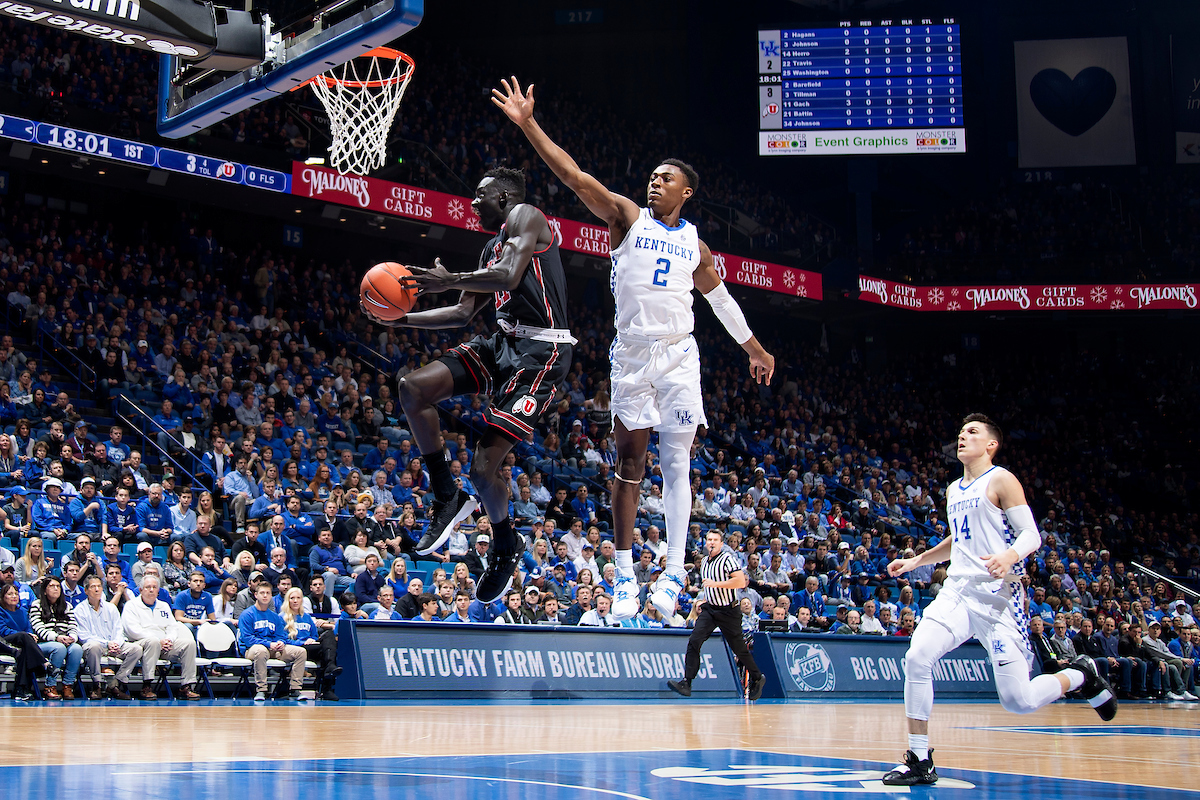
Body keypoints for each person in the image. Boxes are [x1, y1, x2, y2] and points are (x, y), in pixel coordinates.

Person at [493, 77, 774, 623]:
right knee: (629, 461)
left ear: (685, 192)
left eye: (665, 178)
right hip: (632, 354)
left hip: (679, 354)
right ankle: (624, 576)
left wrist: (755, 350)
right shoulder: (626, 216)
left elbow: (721, 302)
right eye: (652, 176)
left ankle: (672, 571)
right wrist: (528, 123)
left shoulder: (698, 244)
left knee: (677, 462)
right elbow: (573, 176)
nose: (654, 182)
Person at [363, 167, 575, 605]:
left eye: (479, 195)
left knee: (483, 468)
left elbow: (511, 275)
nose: (473, 203)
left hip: (542, 353)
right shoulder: (490, 246)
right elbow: (462, 314)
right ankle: (446, 495)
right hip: (501, 343)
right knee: (412, 388)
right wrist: (400, 318)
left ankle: (504, 543)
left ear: (504, 196)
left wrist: (449, 278)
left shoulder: (527, 215)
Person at [880, 414, 1116, 787]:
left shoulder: (1001, 479)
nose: (962, 437)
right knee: (916, 657)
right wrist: (917, 560)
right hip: (958, 591)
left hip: (998, 598)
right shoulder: (954, 489)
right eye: (960, 433)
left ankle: (1079, 675)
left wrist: (1009, 557)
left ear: (991, 444)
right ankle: (919, 758)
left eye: (972, 432)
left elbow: (1031, 536)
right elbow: (959, 541)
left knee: (1017, 701)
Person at [667, 530, 765, 700]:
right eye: (709, 540)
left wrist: (716, 584)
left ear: (721, 543)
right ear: (706, 543)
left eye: (715, 540)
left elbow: (740, 581)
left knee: (739, 649)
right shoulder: (704, 561)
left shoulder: (727, 559)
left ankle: (757, 677)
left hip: (729, 610)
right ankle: (687, 682)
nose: (712, 542)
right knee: (694, 641)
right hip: (711, 609)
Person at [120, 574, 202, 700]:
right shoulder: (131, 606)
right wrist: (159, 641)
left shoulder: (163, 606)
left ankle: (186, 686)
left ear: (158, 590)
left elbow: (172, 627)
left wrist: (169, 639)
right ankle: (146, 686)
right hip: (141, 645)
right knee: (152, 642)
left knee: (189, 643)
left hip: (164, 645)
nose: (151, 590)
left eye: (154, 587)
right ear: (141, 590)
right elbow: (132, 631)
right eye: (148, 587)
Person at [237, 581, 307, 701]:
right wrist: (269, 644)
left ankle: (295, 689)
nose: (265, 596)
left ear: (271, 596)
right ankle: (261, 690)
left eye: (268, 593)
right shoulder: (247, 614)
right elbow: (248, 639)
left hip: (273, 649)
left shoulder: (274, 616)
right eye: (262, 593)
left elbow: (280, 635)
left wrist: (280, 642)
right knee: (261, 651)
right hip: (252, 649)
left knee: (300, 652)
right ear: (255, 595)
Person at [75, 575, 141, 700]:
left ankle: (115, 684)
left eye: (99, 586)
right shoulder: (80, 610)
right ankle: (97, 685)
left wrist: (116, 643)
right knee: (93, 646)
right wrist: (107, 643)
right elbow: (84, 636)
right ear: (86, 590)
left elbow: (119, 630)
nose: (96, 589)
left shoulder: (111, 608)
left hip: (113, 646)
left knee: (136, 649)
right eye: (93, 587)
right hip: (95, 646)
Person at [281, 587, 340, 701]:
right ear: (287, 600)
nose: (295, 600)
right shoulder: (281, 617)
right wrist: (302, 642)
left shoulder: (307, 617)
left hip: (311, 647)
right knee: (327, 653)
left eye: (298, 598)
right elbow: (283, 640)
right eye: (292, 598)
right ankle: (326, 687)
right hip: (295, 649)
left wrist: (312, 640)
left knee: (328, 635)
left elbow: (314, 635)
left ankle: (328, 681)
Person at [29, 576, 84, 699]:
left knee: (76, 649)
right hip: (43, 643)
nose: (55, 589)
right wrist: (57, 637)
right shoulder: (36, 605)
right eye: (52, 586)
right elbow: (38, 628)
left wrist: (72, 638)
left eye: (58, 586)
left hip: (64, 641)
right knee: (59, 648)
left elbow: (73, 626)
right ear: (44, 590)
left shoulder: (67, 606)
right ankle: (50, 685)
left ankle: (68, 685)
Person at [0, 582, 48, 700]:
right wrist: (24, 635)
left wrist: (29, 634)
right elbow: (3, 630)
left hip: (22, 642)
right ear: (3, 597)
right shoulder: (1, 611)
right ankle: (43, 663)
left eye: (16, 593)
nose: (14, 596)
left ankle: (20, 689)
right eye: (10, 594)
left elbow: (28, 627)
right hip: (5, 641)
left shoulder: (22, 611)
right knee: (23, 636)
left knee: (24, 652)